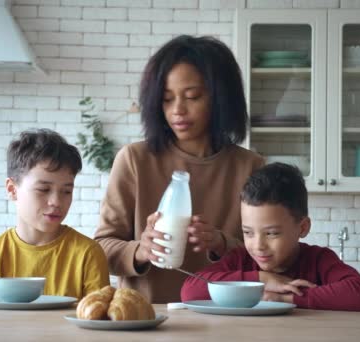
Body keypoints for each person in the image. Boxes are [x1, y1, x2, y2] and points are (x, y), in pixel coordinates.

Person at [94, 35, 264, 303]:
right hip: (145, 318)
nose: (177, 111)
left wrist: (221, 244)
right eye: (166, 99)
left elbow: (267, 257)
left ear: (221, 98)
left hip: (227, 320)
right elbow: (100, 250)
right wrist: (141, 250)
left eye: (192, 96)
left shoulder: (250, 167)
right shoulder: (134, 160)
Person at [180, 163, 360, 311]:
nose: (258, 246)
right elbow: (190, 291)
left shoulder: (318, 260)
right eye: (247, 232)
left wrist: (283, 298)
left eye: (271, 233)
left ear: (303, 227)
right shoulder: (241, 259)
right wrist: (262, 279)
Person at [0, 128, 109, 299]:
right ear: (12, 190)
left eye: (66, 191)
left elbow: (97, 316)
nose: (56, 201)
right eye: (43, 189)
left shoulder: (88, 254)